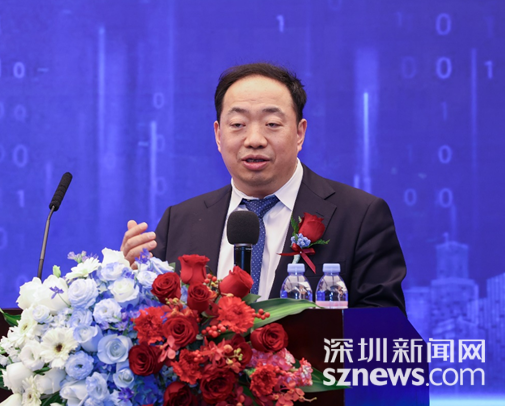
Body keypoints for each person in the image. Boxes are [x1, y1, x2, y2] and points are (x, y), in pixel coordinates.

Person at [121, 62, 406, 313]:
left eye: (272, 123)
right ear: (218, 135)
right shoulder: (179, 222)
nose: (254, 139)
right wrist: (130, 283)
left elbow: (384, 340)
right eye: (238, 124)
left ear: (299, 133)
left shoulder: (360, 217)